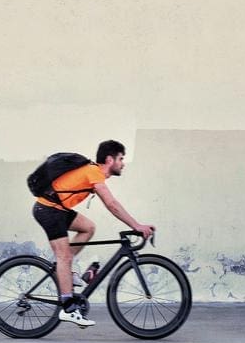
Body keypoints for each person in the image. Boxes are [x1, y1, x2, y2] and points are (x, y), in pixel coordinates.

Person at [32, 139, 154, 327]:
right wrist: (136, 225)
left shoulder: (93, 172)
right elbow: (111, 204)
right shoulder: (93, 173)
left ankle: (64, 270)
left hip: (58, 209)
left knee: (88, 227)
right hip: (49, 210)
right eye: (121, 158)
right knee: (64, 257)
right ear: (109, 160)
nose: (123, 164)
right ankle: (68, 308)